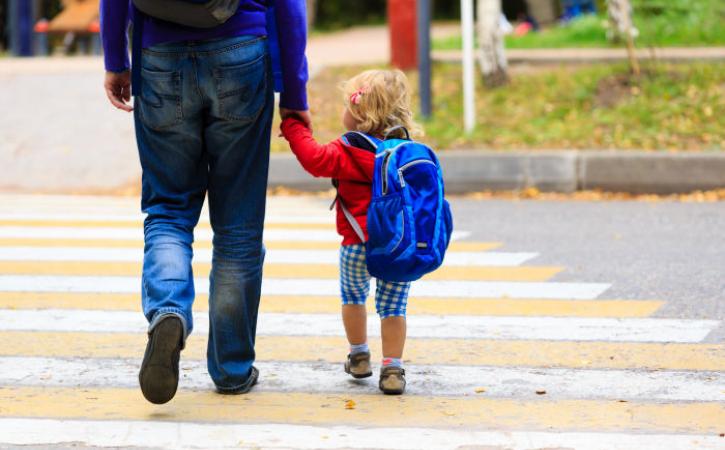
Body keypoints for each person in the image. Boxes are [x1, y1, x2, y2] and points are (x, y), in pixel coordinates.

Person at [101, 0, 310, 404]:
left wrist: (116, 59)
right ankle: (231, 369)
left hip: (159, 55)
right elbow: (289, 6)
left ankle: (168, 310)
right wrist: (294, 92)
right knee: (238, 225)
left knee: (168, 209)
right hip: (242, 53)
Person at [280, 69, 421, 395]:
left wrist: (293, 126)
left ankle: (359, 355)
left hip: (356, 245)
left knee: (353, 298)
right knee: (394, 308)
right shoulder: (407, 152)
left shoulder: (349, 149)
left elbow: (314, 159)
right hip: (397, 247)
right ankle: (392, 368)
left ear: (358, 113)